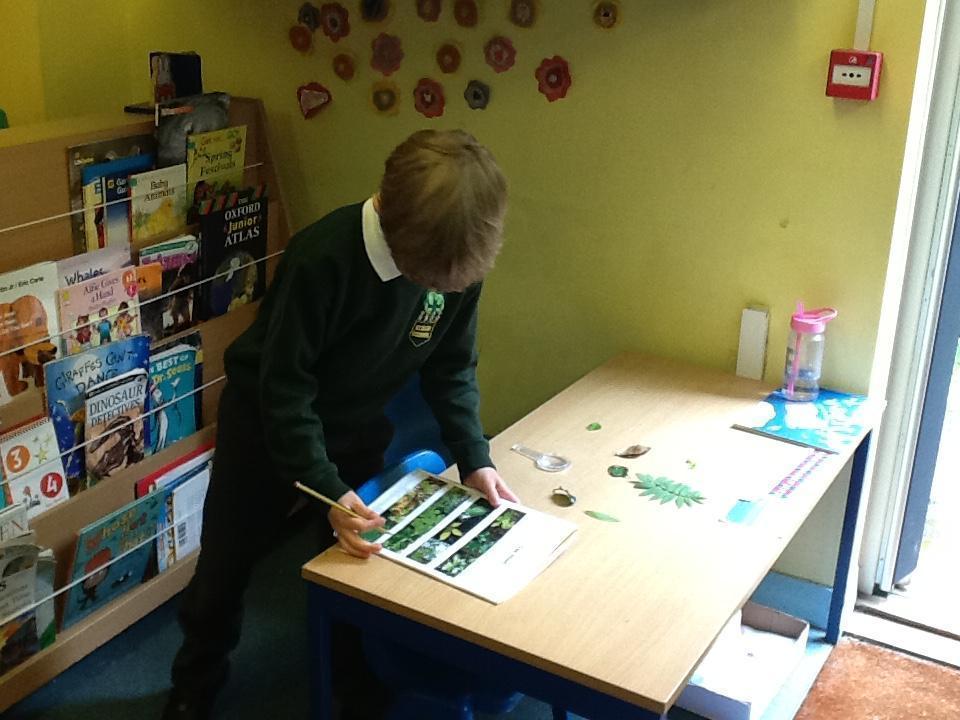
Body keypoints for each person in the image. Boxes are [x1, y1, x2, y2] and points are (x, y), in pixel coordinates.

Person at [163, 129, 517, 720]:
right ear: (395, 230)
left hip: (356, 421)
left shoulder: (455, 263)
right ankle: (195, 677)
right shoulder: (321, 257)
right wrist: (325, 488)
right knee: (226, 562)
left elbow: (452, 368)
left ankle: (355, 676)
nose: (440, 293)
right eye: (430, 283)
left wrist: (475, 456)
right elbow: (285, 389)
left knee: (358, 555)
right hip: (264, 421)